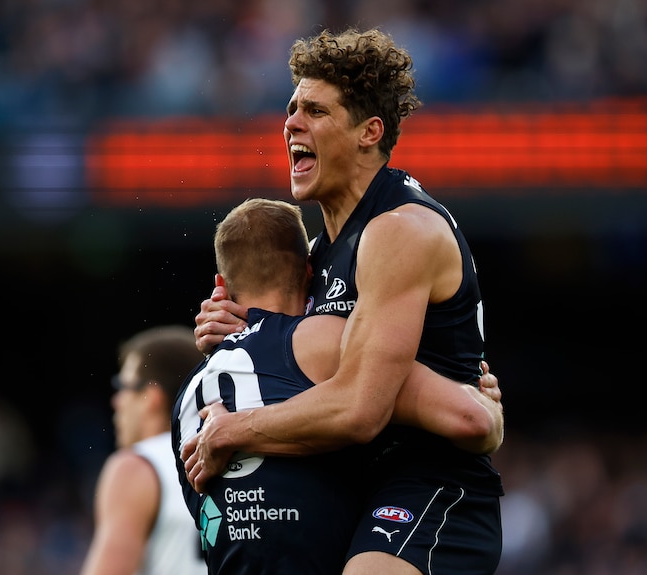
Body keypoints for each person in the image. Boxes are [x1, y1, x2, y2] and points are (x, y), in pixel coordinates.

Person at [186, 27, 505, 575]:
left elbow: (359, 410)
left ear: (368, 132)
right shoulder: (322, 251)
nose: (290, 123)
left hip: (429, 483)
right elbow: (309, 354)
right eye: (290, 108)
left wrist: (231, 430)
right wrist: (246, 327)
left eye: (314, 110)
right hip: (357, 482)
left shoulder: (398, 230)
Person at [172, 197, 503, 575]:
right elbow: (470, 418)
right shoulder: (324, 340)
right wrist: (483, 399)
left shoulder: (187, 398)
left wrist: (236, 430)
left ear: (220, 286)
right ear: (312, 272)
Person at [80, 325, 207, 575]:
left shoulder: (137, 466)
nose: (116, 401)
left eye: (122, 386)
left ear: (151, 396)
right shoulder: (237, 457)